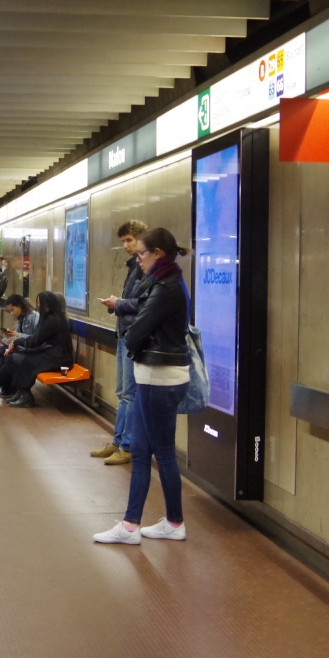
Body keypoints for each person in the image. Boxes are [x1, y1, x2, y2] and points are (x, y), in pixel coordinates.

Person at [94, 227, 192, 546]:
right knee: (144, 450)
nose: (138, 259)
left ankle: (137, 526)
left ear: (157, 254)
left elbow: (134, 333)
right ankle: (161, 523)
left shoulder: (164, 289)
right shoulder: (167, 283)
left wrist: (141, 334)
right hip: (160, 376)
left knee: (157, 452)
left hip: (158, 378)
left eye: (142, 253)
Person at [0, 290, 72, 407]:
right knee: (12, 359)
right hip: (50, 353)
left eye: (39, 302)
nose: (38, 305)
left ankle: (20, 392)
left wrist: (17, 342)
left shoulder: (52, 320)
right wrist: (18, 343)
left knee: (16, 359)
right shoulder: (50, 318)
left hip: (58, 358)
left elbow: (35, 341)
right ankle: (13, 391)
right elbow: (36, 340)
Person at [94, 219, 148, 466]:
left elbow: (144, 304)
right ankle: (117, 441)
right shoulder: (133, 267)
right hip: (124, 334)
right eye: (124, 241)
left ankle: (126, 446)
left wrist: (119, 303)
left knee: (129, 395)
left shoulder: (145, 269)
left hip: (133, 336)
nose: (126, 245)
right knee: (122, 392)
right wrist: (116, 304)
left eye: (129, 240)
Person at [0, 294, 38, 376]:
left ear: (19, 306)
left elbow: (37, 338)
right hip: (20, 346)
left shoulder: (34, 316)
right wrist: (11, 334)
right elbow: (18, 334)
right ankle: (2, 379)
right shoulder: (21, 318)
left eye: (13, 310)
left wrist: (18, 334)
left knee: (6, 356)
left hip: (29, 349)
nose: (12, 313)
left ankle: (4, 379)